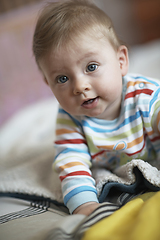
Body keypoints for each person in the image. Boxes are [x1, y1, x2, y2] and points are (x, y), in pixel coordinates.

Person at [33, 0, 160, 216]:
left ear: (121, 61)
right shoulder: (70, 118)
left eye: (91, 67)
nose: (79, 86)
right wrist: (85, 206)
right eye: (62, 78)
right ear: (48, 84)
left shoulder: (146, 96)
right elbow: (71, 164)